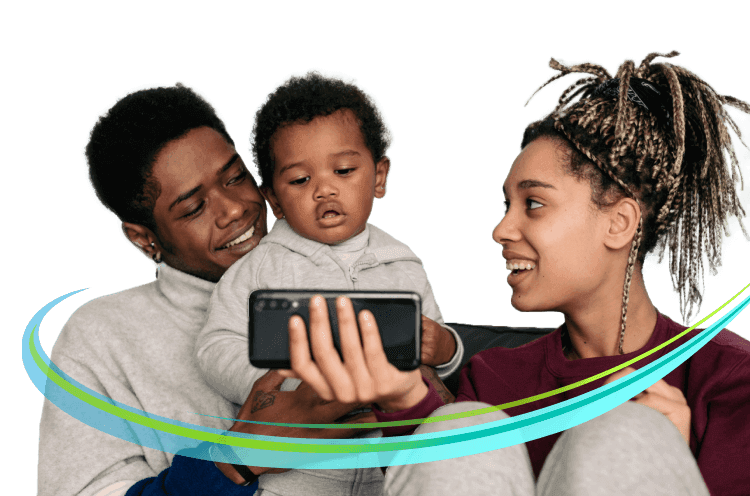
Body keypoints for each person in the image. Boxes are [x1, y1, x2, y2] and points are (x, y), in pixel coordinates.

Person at [282, 50, 750, 495]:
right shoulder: (495, 380)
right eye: (507, 205)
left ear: (619, 223)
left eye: (534, 203)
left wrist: (670, 465)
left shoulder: (725, 375)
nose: (502, 229)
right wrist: (405, 397)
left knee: (627, 432)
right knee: (460, 424)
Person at [36, 82, 375, 496]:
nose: (233, 209)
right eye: (193, 208)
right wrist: (234, 461)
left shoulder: (352, 267)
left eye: (235, 178)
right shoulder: (102, 338)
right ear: (144, 239)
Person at [196, 68, 464, 495]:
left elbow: (432, 353)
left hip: (386, 474)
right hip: (300, 475)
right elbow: (214, 346)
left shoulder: (404, 265)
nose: (324, 189)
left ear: (379, 177)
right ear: (275, 201)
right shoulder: (261, 267)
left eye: (343, 170)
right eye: (300, 180)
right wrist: (285, 389)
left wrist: (447, 348)